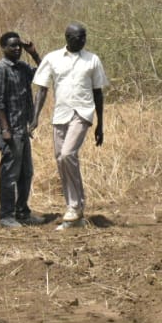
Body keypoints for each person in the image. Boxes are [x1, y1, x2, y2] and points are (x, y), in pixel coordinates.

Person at [32, 23, 108, 230]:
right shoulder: (52, 58)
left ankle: (75, 206)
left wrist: (100, 124)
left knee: (67, 155)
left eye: (84, 37)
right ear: (67, 37)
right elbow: (42, 89)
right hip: (60, 115)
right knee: (60, 160)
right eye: (78, 37)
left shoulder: (92, 60)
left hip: (82, 113)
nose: (82, 40)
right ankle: (74, 210)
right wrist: (35, 117)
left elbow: (98, 93)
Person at [0, 32, 46, 228]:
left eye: (19, 46)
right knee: (9, 174)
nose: (17, 49)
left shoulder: (22, 67)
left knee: (26, 173)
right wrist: (5, 129)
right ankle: (6, 216)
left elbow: (44, 73)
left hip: (22, 129)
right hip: (10, 130)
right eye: (12, 46)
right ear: (3, 47)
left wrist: (34, 53)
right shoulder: (1, 70)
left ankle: (22, 212)